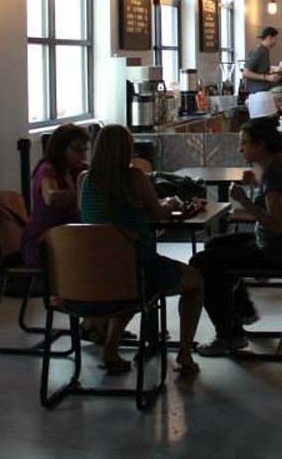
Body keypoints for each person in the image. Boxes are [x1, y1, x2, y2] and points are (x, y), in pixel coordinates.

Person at [79, 125, 204, 376]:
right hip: (137, 268)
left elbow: (84, 215)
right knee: (195, 282)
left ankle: (111, 348)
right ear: (127, 149)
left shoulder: (84, 179)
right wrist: (170, 203)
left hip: (96, 271)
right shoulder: (134, 177)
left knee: (124, 286)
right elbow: (157, 213)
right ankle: (185, 354)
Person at [191, 119, 282, 357]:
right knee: (213, 244)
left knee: (201, 263)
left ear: (260, 145)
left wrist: (243, 200)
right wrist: (255, 184)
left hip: (277, 254)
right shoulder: (279, 167)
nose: (239, 148)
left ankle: (228, 335)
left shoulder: (275, 176)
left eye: (244, 143)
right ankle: (243, 311)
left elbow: (276, 225)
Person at [20, 123, 89, 269]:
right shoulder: (47, 169)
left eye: (84, 150)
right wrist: (86, 194)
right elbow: (51, 197)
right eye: (78, 150)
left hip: (67, 238)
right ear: (61, 148)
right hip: (44, 243)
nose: (83, 156)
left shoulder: (79, 170)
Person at [243, 27, 282, 94]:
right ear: (269, 37)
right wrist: (267, 77)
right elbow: (246, 73)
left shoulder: (265, 51)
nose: (276, 42)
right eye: (275, 39)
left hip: (263, 91)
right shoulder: (259, 51)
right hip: (257, 92)